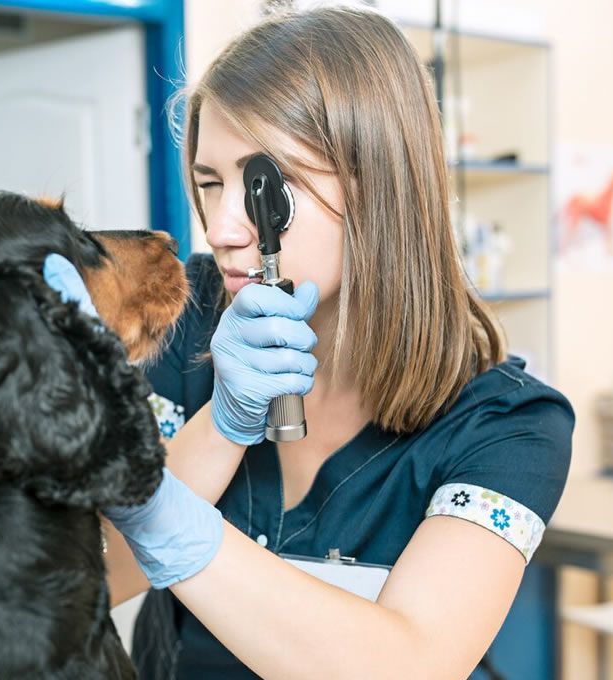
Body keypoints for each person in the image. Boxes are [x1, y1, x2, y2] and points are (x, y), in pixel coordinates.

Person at [43, 5, 573, 678]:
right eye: (210, 184)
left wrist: (167, 515)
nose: (223, 228)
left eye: (265, 186)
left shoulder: (509, 425)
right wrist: (220, 430)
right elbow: (73, 588)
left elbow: (410, 663)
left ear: (377, 185)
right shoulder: (188, 315)